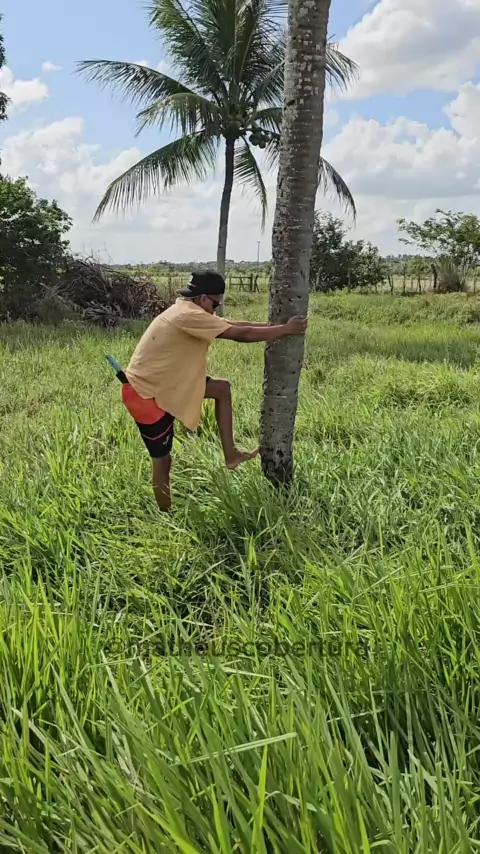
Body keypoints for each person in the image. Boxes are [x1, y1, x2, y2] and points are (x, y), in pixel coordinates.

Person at [118, 270, 307, 511]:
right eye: (215, 304)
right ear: (203, 298)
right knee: (162, 462)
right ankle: (166, 516)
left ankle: (231, 454)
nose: (215, 311)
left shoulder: (186, 308)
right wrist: (285, 330)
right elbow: (241, 334)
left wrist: (278, 326)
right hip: (145, 395)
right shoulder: (188, 315)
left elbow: (233, 324)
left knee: (221, 389)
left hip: (165, 384)